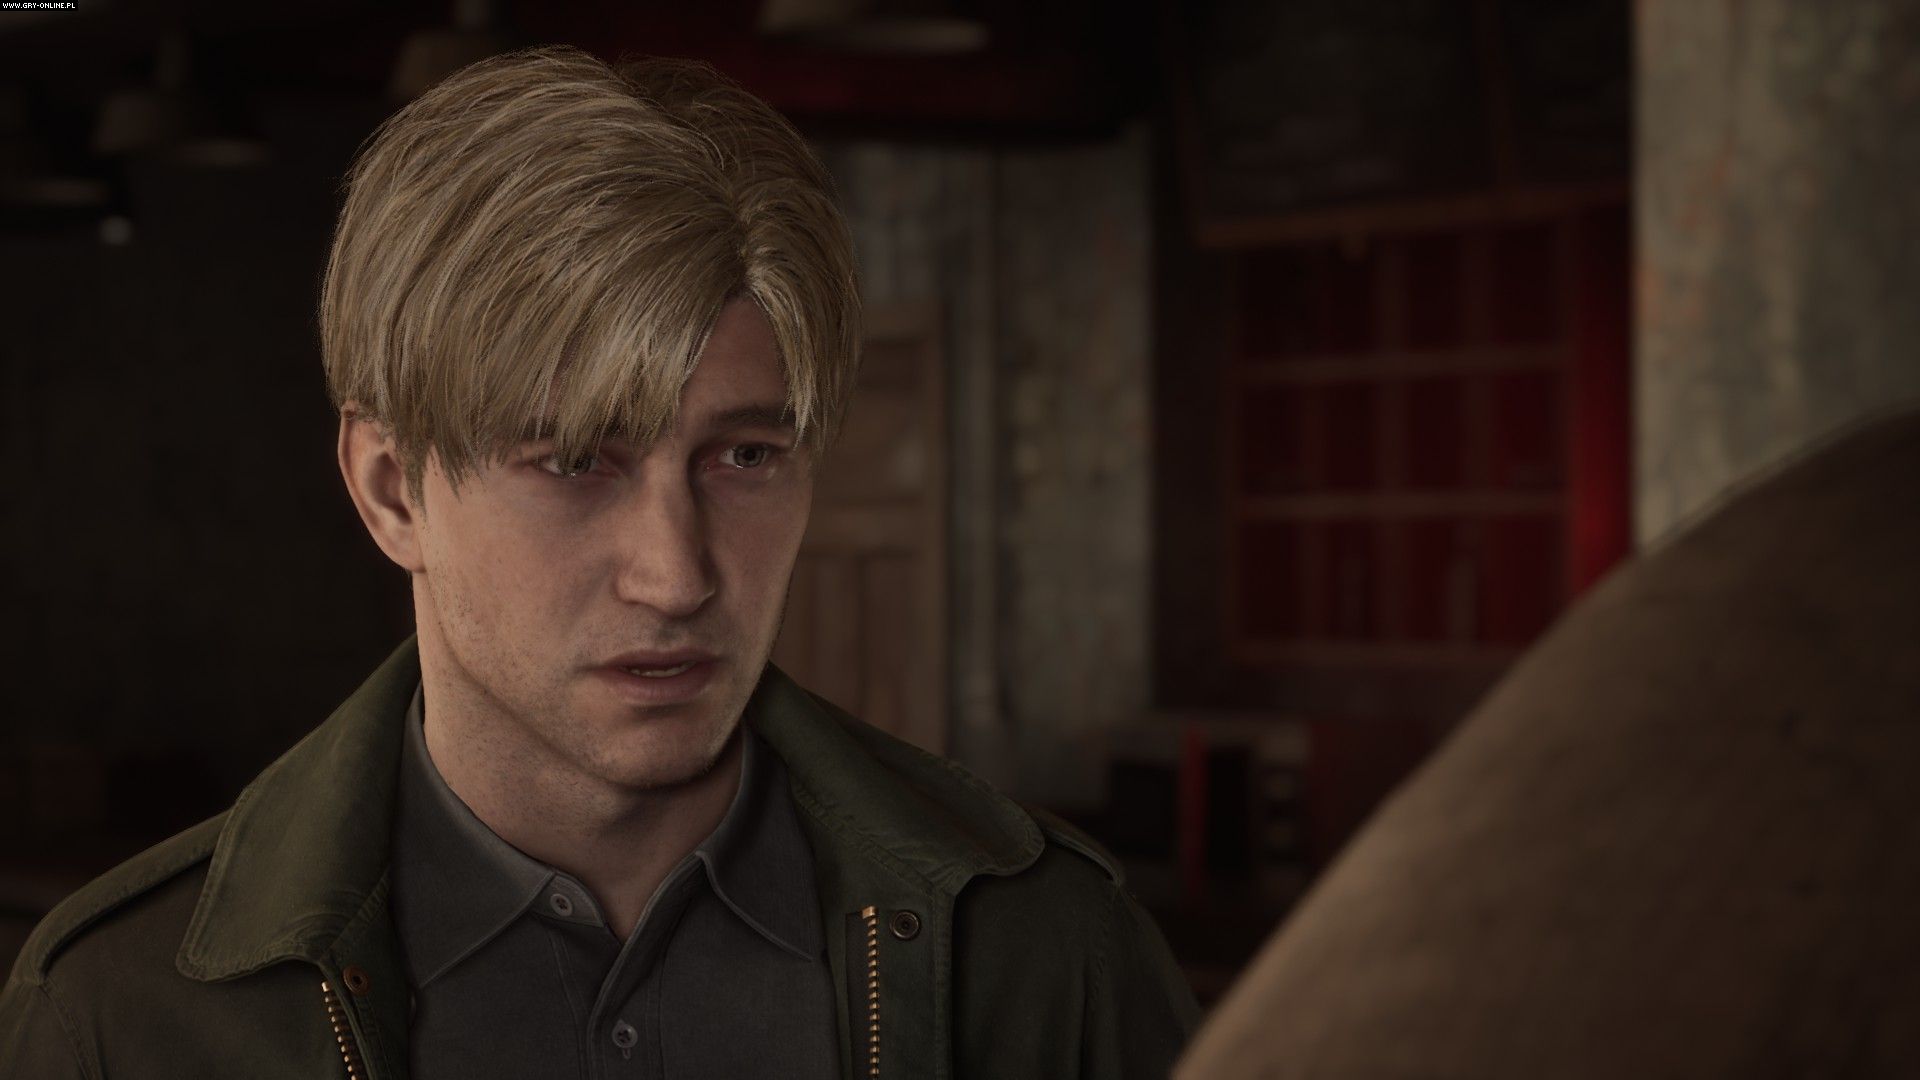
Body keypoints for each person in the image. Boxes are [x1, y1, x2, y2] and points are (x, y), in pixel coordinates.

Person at [0, 45, 1198, 1079]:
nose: (677, 577)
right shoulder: (121, 1016)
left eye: (745, 456)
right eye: (577, 462)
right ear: (392, 490)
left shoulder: (1047, 955)